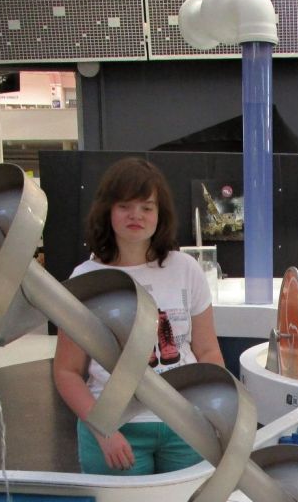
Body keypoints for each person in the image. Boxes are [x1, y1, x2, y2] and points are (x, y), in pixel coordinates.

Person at [53, 157, 223, 475]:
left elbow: (208, 351)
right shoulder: (85, 279)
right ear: (108, 210)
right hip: (116, 429)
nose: (136, 215)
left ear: (160, 213)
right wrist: (103, 431)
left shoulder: (185, 269)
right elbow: (67, 371)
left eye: (147, 207)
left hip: (184, 425)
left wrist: (213, 412)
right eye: (125, 206)